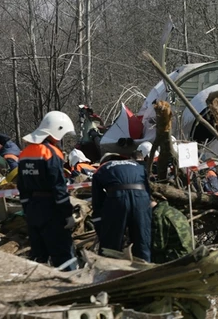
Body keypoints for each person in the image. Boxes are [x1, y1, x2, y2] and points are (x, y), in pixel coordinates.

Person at [18, 111, 77, 270]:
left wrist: (27, 210)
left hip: (33, 209)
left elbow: (22, 188)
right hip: (51, 210)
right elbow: (58, 186)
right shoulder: (51, 153)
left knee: (38, 258)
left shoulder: (24, 154)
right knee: (64, 255)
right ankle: (71, 290)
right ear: (57, 130)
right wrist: (67, 214)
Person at [91, 152, 152, 262]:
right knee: (142, 238)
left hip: (117, 198)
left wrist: (101, 227)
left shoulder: (101, 169)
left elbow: (97, 201)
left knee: (111, 243)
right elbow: (148, 190)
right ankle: (145, 267)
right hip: (141, 197)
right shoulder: (138, 166)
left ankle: (109, 269)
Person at [150, 193, 194, 264]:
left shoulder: (157, 215)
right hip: (189, 251)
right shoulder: (172, 210)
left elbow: (158, 246)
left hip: (177, 257)